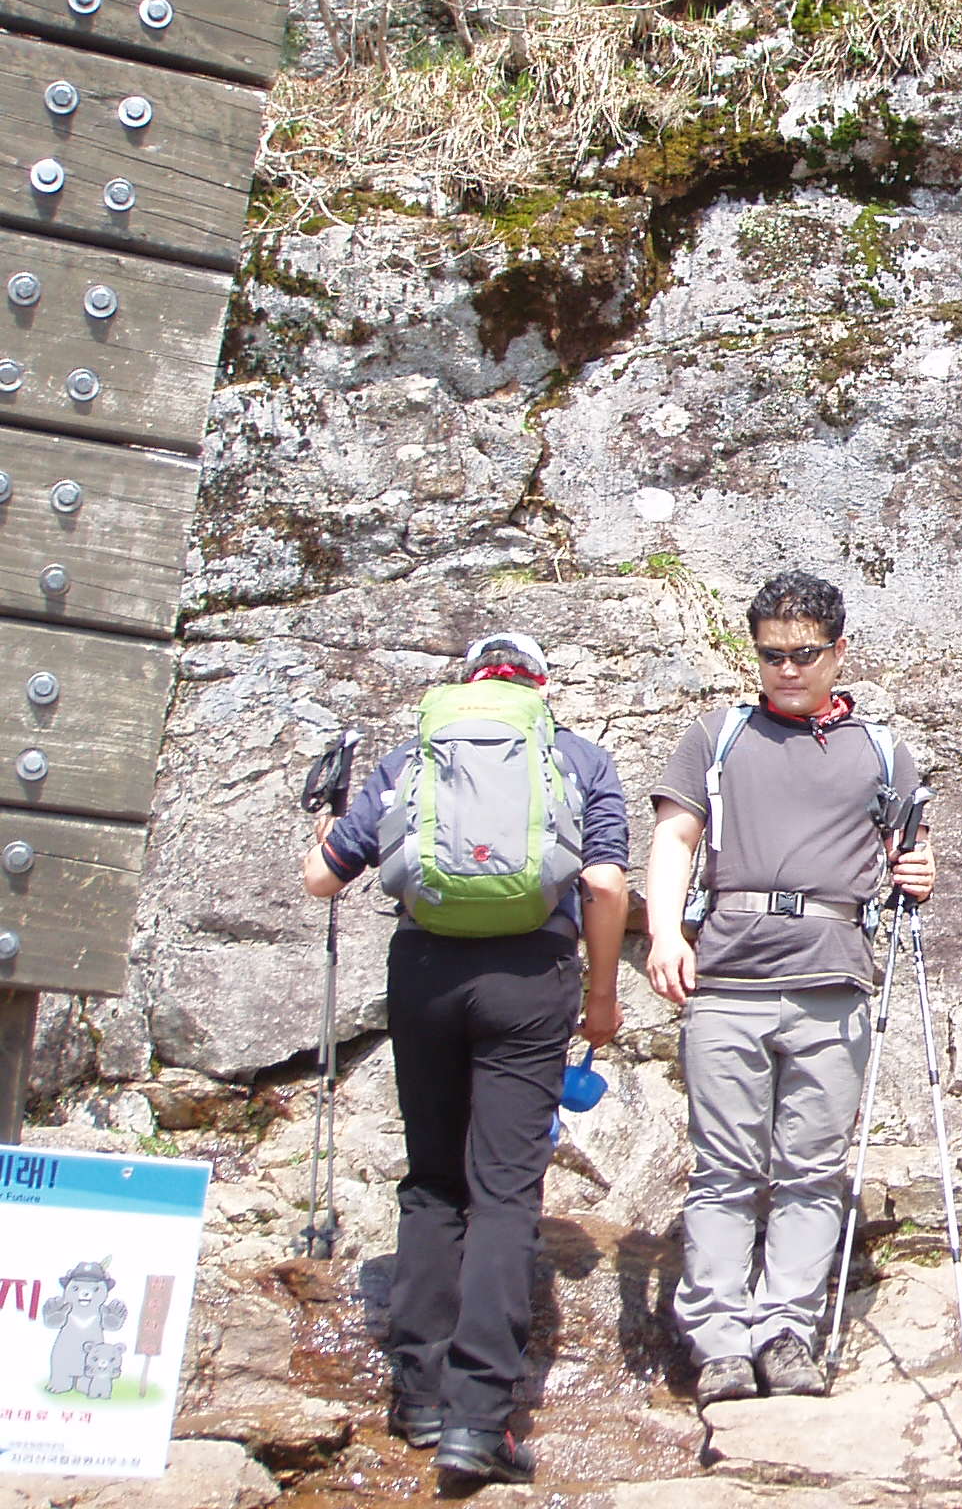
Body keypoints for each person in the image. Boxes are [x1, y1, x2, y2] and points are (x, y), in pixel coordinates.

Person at [301, 632, 627, 1486]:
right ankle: (479, 1424)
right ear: (540, 688)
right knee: (506, 1193)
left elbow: (321, 878)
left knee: (433, 1181)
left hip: (426, 971)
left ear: (469, 685)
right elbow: (604, 884)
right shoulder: (578, 759)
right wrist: (600, 994)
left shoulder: (415, 754)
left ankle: (417, 1399)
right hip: (530, 975)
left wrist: (330, 825)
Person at [644, 571, 932, 1408]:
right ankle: (719, 1344)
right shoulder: (717, 736)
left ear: (839, 652)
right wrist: (665, 934)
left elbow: (912, 853)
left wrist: (922, 871)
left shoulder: (882, 751)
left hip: (833, 982)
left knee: (812, 1170)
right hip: (728, 979)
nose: (788, 669)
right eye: (772, 655)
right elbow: (674, 839)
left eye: (804, 653)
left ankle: (785, 1333)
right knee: (724, 1170)